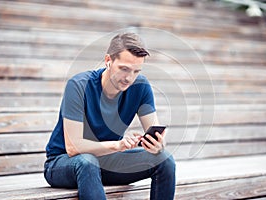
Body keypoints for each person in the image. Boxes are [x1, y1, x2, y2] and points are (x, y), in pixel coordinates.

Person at [44, 32, 176, 200]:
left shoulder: (141, 87)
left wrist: (155, 145)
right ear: (108, 61)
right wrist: (118, 145)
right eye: (124, 69)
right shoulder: (78, 86)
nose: (129, 78)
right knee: (87, 161)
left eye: (136, 71)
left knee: (165, 160)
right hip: (64, 163)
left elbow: (157, 135)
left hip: (105, 162)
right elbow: (73, 148)